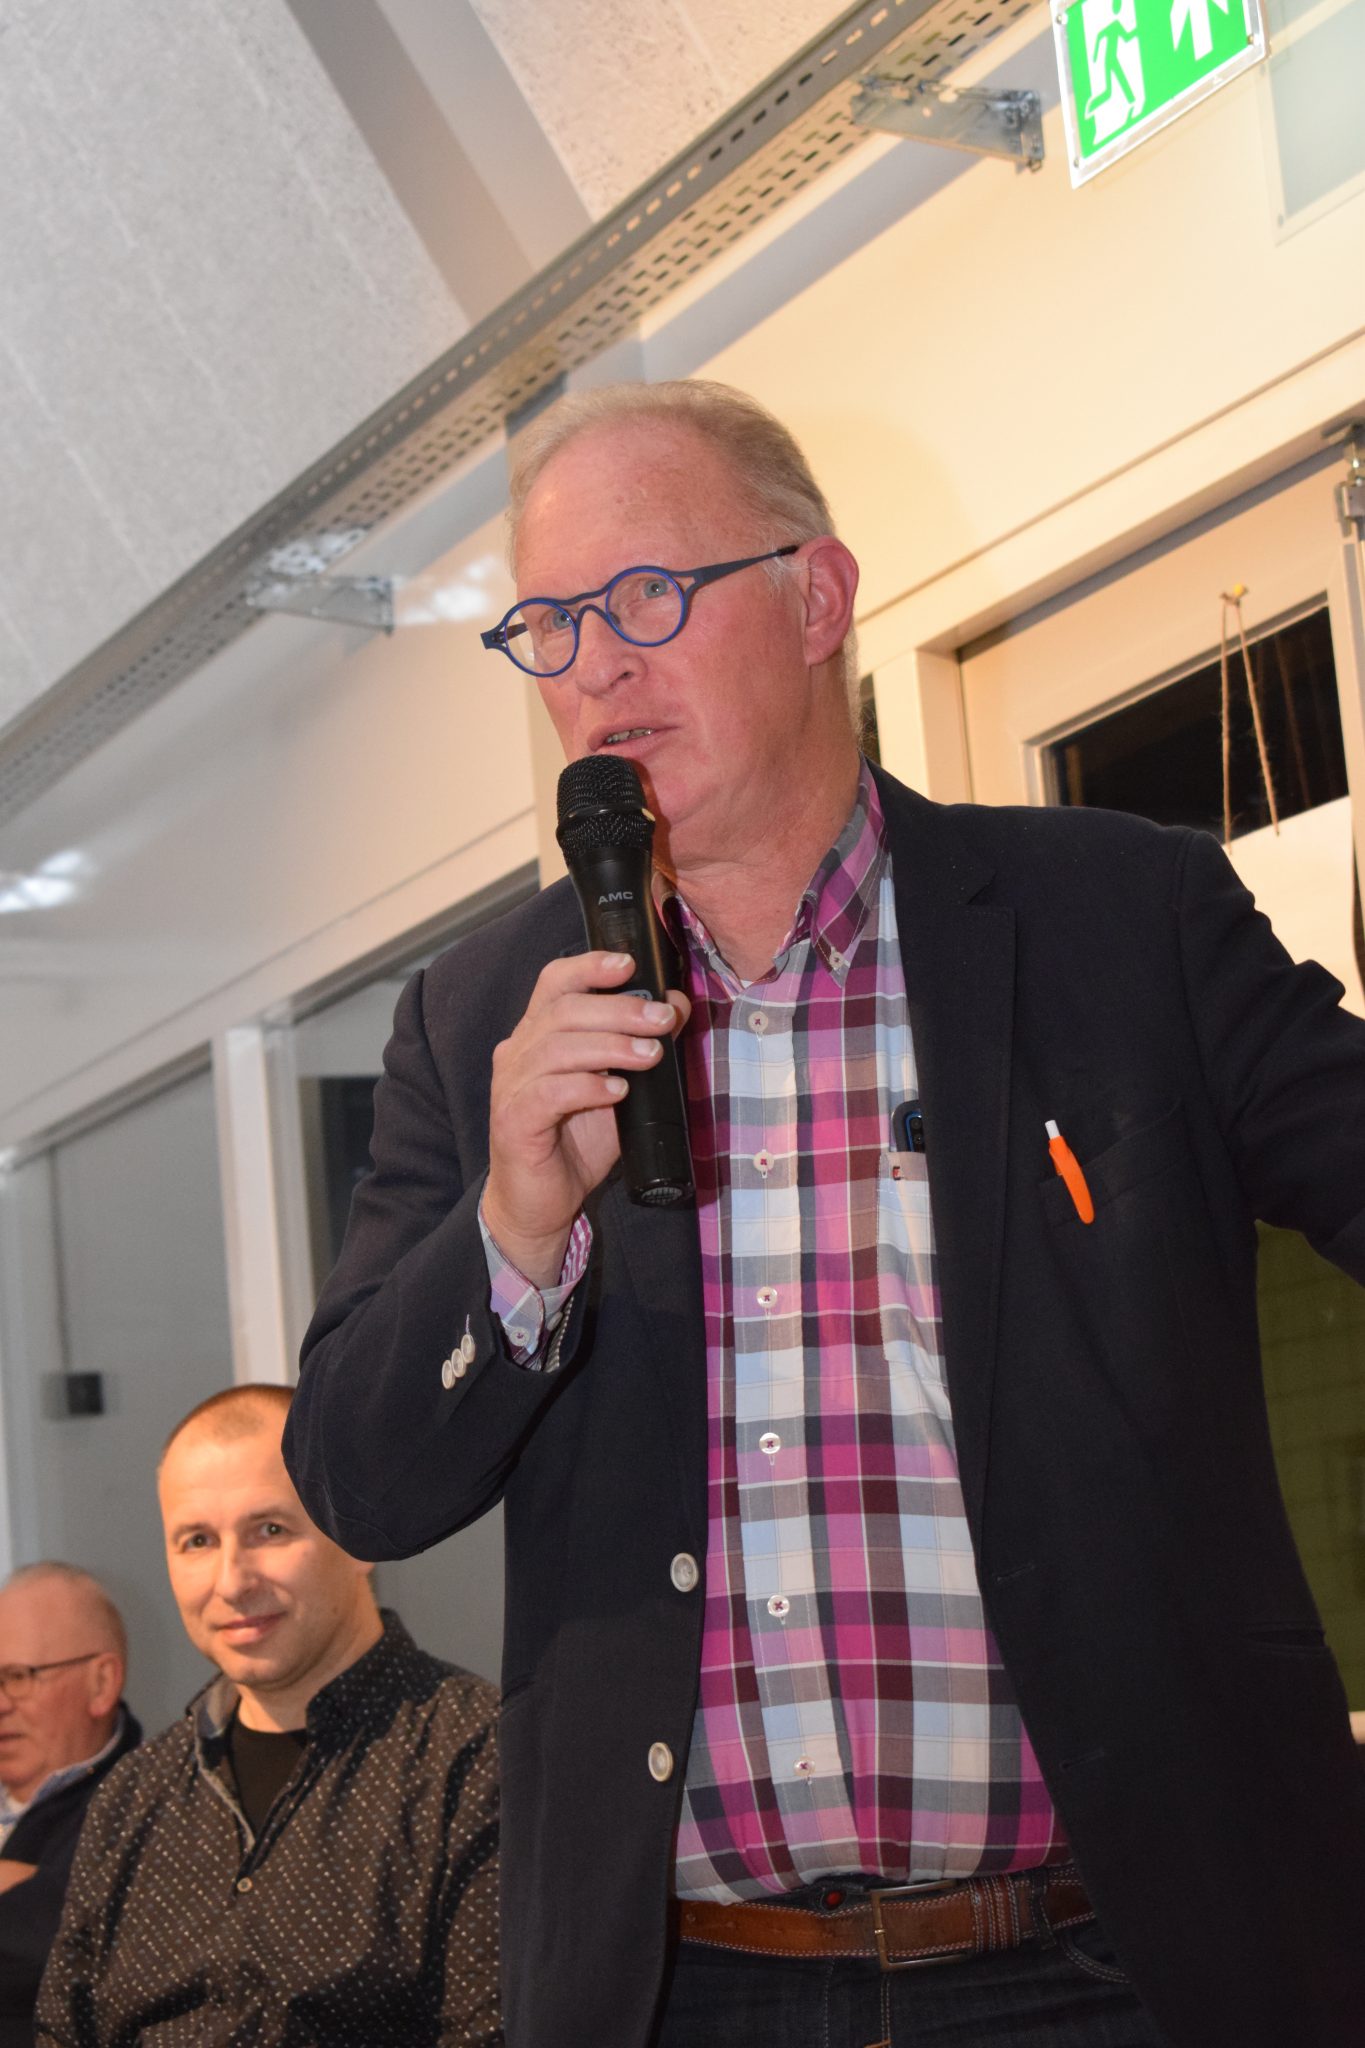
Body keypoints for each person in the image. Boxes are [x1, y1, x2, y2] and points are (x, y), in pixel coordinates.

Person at [284, 379, 1365, 2048]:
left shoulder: (1116, 919)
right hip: (691, 1986)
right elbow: (359, 1480)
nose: (596, 667)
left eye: (647, 596)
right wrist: (513, 1228)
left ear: (818, 599)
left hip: (1121, 1959)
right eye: (550, 627)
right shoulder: (481, 1015)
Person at [37, 1383, 500, 2046]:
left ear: (358, 1536)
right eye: (197, 1541)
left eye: (271, 1531)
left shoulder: (479, 1758)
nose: (232, 1581)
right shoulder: (131, 1800)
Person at [0, 1564, 140, 2047]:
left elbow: (60, 1954)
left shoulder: (146, 1804)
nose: (1, 1704)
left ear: (102, 1683)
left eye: (19, 1677)